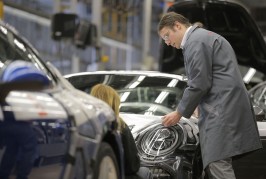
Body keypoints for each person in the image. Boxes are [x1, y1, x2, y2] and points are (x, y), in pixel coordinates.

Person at [158, 12, 262, 179]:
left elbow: (199, 83)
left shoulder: (196, 41)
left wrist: (179, 112)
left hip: (222, 109)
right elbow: (211, 78)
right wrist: (198, 106)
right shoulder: (202, 38)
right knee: (217, 162)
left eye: (167, 36)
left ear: (177, 25)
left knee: (217, 161)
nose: (168, 42)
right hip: (225, 106)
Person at [90, 84, 152, 179]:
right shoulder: (120, 127)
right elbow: (132, 166)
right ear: (114, 105)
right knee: (145, 171)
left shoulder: (82, 126)